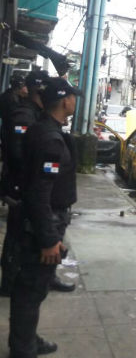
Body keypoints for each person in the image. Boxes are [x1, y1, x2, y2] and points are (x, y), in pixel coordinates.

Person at [9, 77, 81, 358]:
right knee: (31, 289)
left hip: (41, 219)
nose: (76, 101)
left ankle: (26, 340)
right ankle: (23, 349)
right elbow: (40, 193)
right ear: (65, 101)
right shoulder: (49, 138)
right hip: (43, 222)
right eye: (73, 96)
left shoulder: (44, 130)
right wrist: (49, 238)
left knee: (33, 288)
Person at [0, 71, 48, 295]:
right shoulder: (23, 115)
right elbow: (20, 156)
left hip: (27, 188)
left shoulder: (35, 114)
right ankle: (9, 282)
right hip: (19, 188)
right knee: (17, 235)